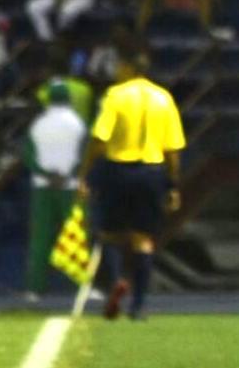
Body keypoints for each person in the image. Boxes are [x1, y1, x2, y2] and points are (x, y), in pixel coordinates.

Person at [77, 47, 185, 320]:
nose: (115, 71)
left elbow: (100, 139)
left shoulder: (115, 96)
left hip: (117, 169)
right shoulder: (164, 98)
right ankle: (138, 306)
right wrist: (172, 186)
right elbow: (173, 150)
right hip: (151, 172)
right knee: (143, 239)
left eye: (119, 66)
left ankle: (114, 285)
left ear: (128, 68)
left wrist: (86, 175)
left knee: (109, 235)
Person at [23, 81, 87, 296]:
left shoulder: (38, 125)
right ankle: (79, 287)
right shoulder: (78, 124)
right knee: (74, 237)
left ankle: (35, 288)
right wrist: (67, 175)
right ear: (69, 99)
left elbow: (28, 156)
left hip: (43, 188)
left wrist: (45, 174)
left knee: (41, 238)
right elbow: (85, 155)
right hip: (70, 187)